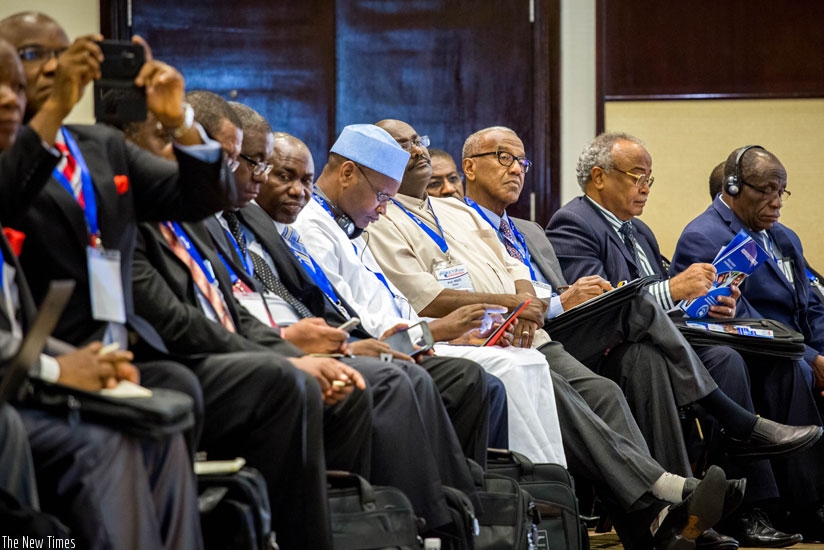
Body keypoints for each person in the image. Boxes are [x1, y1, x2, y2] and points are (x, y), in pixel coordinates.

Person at [361, 119, 746, 550]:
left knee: (610, 387)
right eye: (401, 144)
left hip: (529, 330)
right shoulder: (380, 217)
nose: (416, 149)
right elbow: (425, 296)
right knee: (627, 312)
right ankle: (674, 490)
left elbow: (512, 269)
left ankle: (660, 527)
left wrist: (524, 302)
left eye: (419, 140)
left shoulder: (455, 209)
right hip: (473, 339)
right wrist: (518, 305)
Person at [546, 132, 824, 545]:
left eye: (650, 178)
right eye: (637, 175)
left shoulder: (638, 231)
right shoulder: (574, 222)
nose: (645, 187)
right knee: (691, 356)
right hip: (601, 354)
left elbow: (663, 311)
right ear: (599, 177)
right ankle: (743, 456)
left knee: (737, 359)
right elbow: (601, 306)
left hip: (658, 344)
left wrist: (707, 306)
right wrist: (673, 291)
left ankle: (697, 515)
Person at [0, 35, 201, 549]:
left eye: (14, 87)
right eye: (29, 62)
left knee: (163, 422)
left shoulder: (99, 146)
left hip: (74, 353)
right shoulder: (22, 165)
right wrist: (57, 368)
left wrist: (179, 122)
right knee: (107, 441)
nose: (9, 96)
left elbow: (203, 195)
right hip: (30, 380)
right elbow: (8, 186)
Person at [257, 129, 564, 463]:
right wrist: (433, 333)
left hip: (408, 337)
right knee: (492, 373)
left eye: (389, 199)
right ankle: (511, 489)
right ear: (347, 174)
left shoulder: (348, 226)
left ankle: (540, 484)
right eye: (382, 196)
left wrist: (450, 333)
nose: (383, 210)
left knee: (526, 360)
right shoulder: (312, 228)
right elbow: (350, 317)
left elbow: (390, 302)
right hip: (383, 346)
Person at [672, 144, 824, 541]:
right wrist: (810, 358)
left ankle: (807, 504)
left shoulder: (783, 237)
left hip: (785, 348)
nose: (777, 202)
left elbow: (810, 307)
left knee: (798, 366)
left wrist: (822, 353)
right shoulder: (704, 234)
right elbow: (743, 317)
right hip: (738, 349)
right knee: (790, 369)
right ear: (735, 186)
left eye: (782, 192)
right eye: (767, 190)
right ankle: (763, 508)